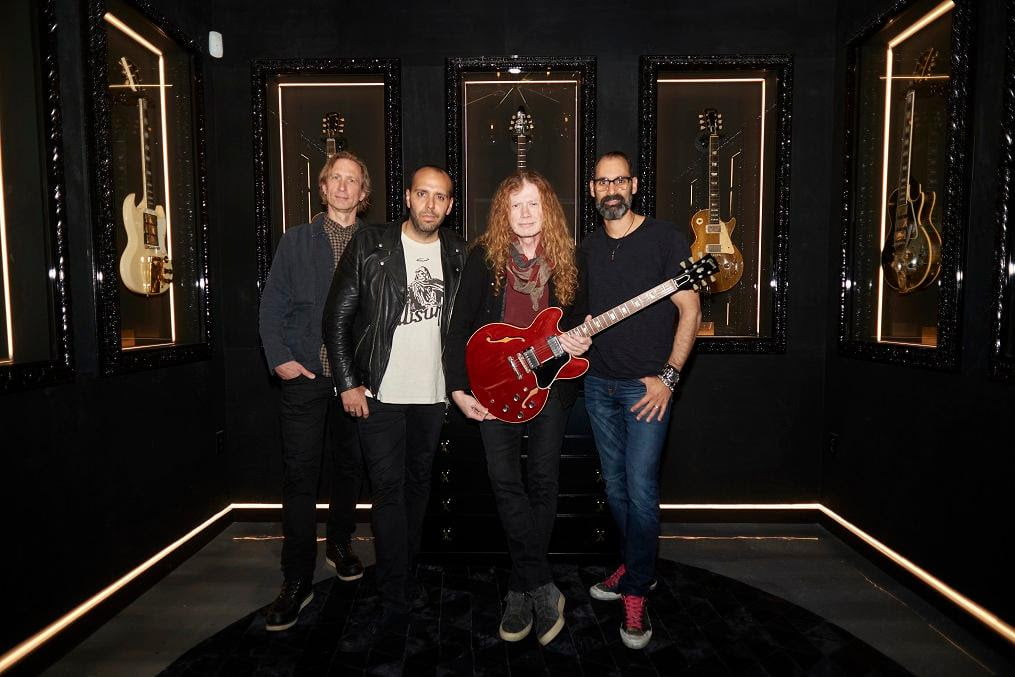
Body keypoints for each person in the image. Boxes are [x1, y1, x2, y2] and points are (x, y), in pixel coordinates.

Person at [323, 165, 466, 651]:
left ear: (449, 205)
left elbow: (466, 324)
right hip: (380, 395)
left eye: (440, 197)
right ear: (407, 196)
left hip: (431, 395)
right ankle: (395, 597)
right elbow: (336, 318)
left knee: (418, 489)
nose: (430, 204)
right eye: (422, 194)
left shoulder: (459, 252)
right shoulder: (371, 244)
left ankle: (404, 575)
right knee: (388, 492)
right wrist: (348, 384)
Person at [446, 171, 591, 646]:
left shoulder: (570, 260)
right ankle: (540, 585)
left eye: (533, 204)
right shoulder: (483, 260)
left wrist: (580, 339)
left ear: (547, 208)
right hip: (494, 387)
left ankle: (520, 586)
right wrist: (459, 389)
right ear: (502, 213)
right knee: (504, 480)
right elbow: (458, 328)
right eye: (515, 206)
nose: (525, 215)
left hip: (549, 387)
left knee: (543, 481)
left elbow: (579, 330)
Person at [577, 151, 701, 650]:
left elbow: (689, 311)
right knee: (617, 491)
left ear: (633, 185)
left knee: (642, 491)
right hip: (597, 386)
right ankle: (636, 562)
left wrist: (668, 378)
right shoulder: (585, 248)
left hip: (646, 388)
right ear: (592, 190)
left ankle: (636, 591)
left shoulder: (666, 238)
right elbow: (579, 316)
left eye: (620, 180)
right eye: (603, 181)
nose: (612, 189)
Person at [257, 151, 371, 631]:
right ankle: (296, 579)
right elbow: (271, 306)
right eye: (335, 179)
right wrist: (281, 360)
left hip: (357, 382)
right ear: (323, 189)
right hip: (304, 379)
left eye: (353, 180)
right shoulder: (295, 241)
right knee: (301, 479)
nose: (344, 187)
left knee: (348, 471)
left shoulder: (377, 243)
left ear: (364, 193)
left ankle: (341, 544)